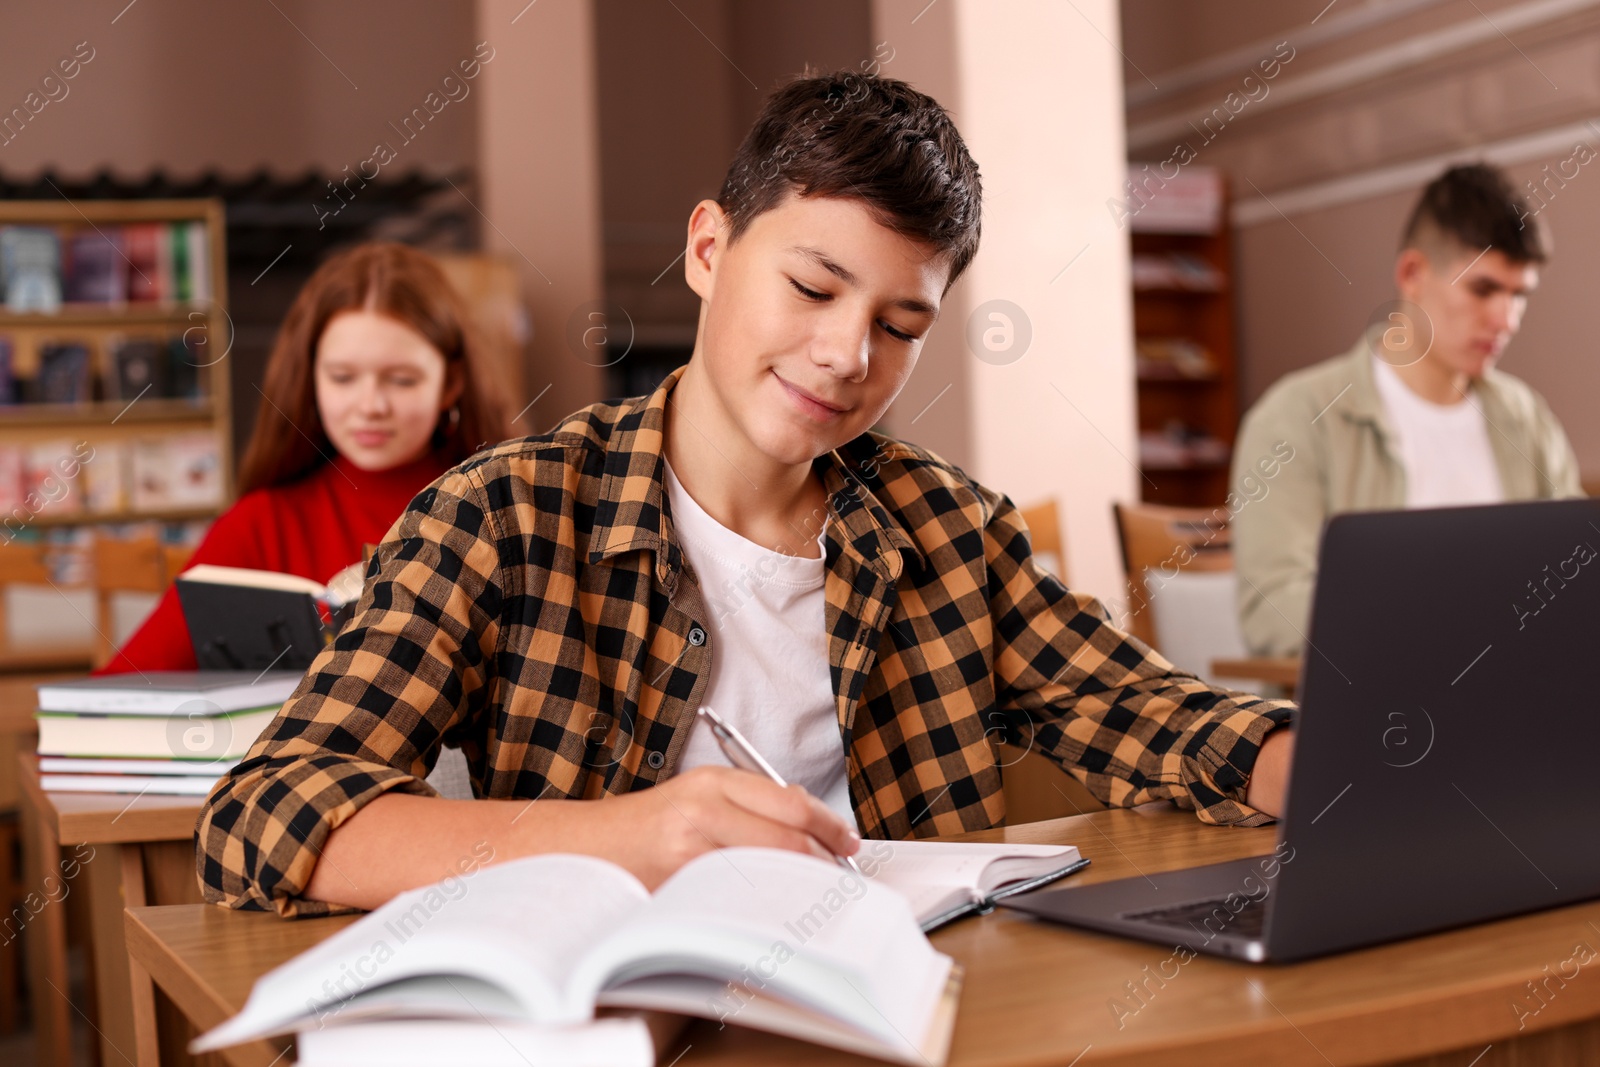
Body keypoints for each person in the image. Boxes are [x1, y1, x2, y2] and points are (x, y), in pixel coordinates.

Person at [197, 71, 1296, 918]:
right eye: (812, 286)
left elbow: (1155, 715)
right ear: (709, 248)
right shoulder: (502, 517)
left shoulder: (951, 531)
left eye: (900, 325)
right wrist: (618, 835)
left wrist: (1349, 761)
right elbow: (263, 813)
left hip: (910, 1006)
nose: (844, 352)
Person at [99, 242, 509, 674]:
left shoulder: (507, 513)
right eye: (343, 377)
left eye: (402, 380)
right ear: (311, 379)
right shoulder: (259, 525)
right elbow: (115, 695)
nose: (370, 405)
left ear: (451, 383)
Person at [1231, 164, 1583, 658]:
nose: (1506, 320)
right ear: (1413, 275)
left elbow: (1578, 585)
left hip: (1520, 702)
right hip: (1371, 713)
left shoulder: (1527, 419)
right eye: (1482, 289)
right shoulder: (1297, 417)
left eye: (1519, 295)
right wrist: (1453, 628)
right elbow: (1276, 616)